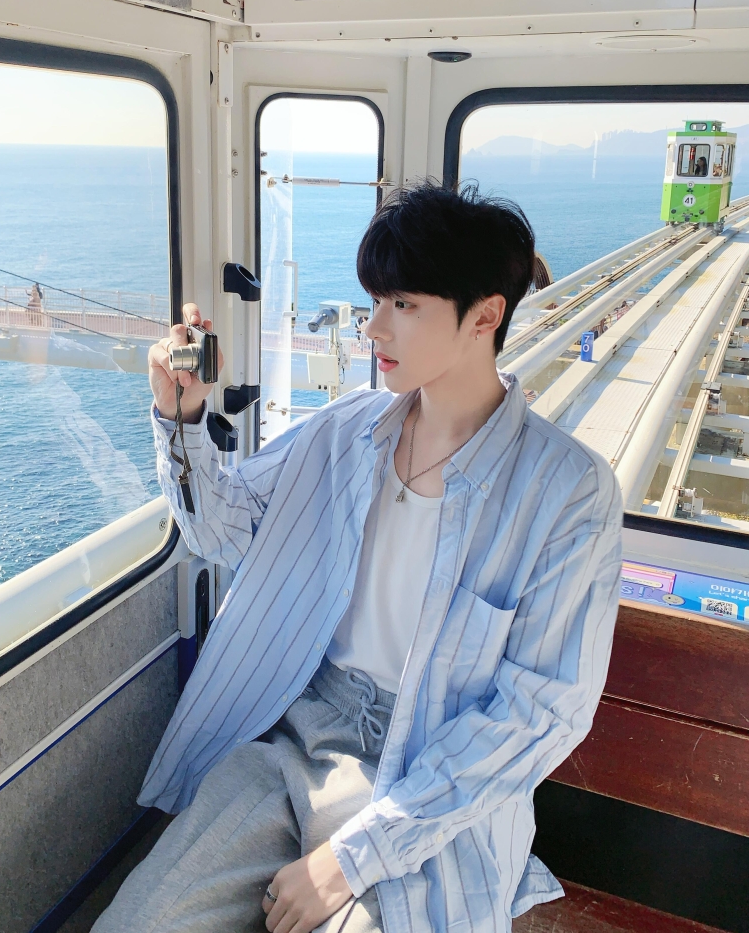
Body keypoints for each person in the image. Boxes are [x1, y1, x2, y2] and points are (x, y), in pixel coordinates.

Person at [93, 182, 623, 933]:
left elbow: (539, 712)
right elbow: (220, 531)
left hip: (431, 781)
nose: (373, 326)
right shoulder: (347, 430)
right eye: (376, 300)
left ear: (484, 316)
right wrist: (181, 416)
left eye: (403, 304)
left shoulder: (567, 491)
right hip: (295, 738)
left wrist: (350, 858)